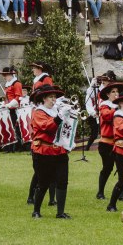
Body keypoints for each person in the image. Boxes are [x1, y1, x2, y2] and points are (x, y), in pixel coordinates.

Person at [29, 84, 72, 219]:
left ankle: (60, 212)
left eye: (55, 97)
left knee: (62, 181)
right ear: (43, 99)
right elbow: (47, 127)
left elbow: (66, 128)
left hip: (59, 151)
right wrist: (59, 117)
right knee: (43, 182)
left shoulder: (57, 111)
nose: (54, 100)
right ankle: (36, 211)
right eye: (51, 97)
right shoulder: (38, 113)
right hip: (43, 151)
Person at [96, 81, 123, 200]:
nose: (116, 94)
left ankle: (121, 194)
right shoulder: (104, 105)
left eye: (117, 91)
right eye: (113, 92)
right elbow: (106, 116)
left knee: (122, 168)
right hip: (106, 143)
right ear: (108, 94)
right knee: (107, 168)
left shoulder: (121, 107)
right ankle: (100, 192)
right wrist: (117, 108)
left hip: (119, 142)